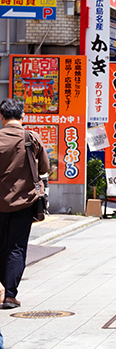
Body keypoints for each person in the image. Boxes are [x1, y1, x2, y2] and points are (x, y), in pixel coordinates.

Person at [0, 99, 50, 309]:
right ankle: (10, 295)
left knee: (1, 246)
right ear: (22, 117)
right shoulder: (31, 138)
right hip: (24, 203)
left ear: (2, 118)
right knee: (17, 247)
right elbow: (44, 168)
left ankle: (2, 287)